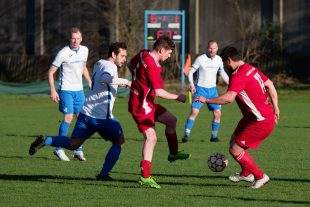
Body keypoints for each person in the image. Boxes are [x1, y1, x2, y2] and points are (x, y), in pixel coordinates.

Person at [29, 42, 130, 180]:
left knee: (73, 144)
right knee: (119, 142)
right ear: (113, 54)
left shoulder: (99, 63)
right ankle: (103, 174)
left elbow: (102, 80)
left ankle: (46, 140)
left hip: (86, 113)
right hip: (102, 118)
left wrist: (118, 83)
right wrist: (126, 81)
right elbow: (106, 78)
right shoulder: (110, 66)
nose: (124, 59)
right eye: (122, 56)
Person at [195, 46, 280, 189]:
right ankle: (246, 174)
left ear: (228, 60)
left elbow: (229, 98)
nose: (224, 66)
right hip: (253, 117)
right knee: (234, 141)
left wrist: (207, 100)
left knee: (235, 150)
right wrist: (276, 106)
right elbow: (270, 85)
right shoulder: (251, 69)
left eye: (224, 62)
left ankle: (260, 176)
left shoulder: (238, 75)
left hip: (260, 121)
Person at [128, 36, 191, 189]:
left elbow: (131, 64)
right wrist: (179, 97)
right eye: (169, 53)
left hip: (147, 102)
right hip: (141, 106)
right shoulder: (153, 66)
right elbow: (159, 92)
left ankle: (173, 153)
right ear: (161, 50)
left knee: (171, 120)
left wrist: (136, 83)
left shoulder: (144, 53)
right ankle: (145, 176)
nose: (170, 56)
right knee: (151, 137)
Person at [48, 27, 92, 161]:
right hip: (66, 90)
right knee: (68, 117)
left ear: (81, 38)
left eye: (78, 38)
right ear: (69, 39)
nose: (75, 41)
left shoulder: (85, 50)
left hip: (79, 90)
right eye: (73, 38)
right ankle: (59, 148)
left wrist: (90, 81)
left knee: (82, 120)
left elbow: (83, 67)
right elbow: (51, 72)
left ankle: (78, 149)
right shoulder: (63, 53)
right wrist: (53, 90)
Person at [183, 40, 229, 143]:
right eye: (210, 48)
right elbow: (191, 72)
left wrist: (230, 84)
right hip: (200, 89)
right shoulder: (200, 59)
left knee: (217, 113)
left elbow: (222, 73)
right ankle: (186, 135)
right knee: (194, 112)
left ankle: (214, 137)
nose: (212, 50)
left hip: (213, 91)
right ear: (207, 48)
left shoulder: (219, 60)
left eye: (214, 48)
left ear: (217, 48)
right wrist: (191, 84)